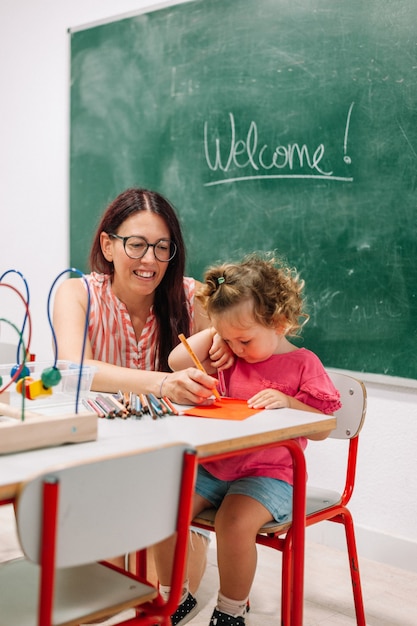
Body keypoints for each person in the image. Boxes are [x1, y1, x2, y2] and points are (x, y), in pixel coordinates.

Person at [155, 252, 341, 626]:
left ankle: (231, 610)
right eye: (229, 339)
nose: (237, 349)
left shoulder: (304, 364)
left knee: (234, 523)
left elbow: (325, 427)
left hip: (270, 475)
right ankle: (172, 597)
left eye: (244, 339)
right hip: (217, 467)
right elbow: (177, 362)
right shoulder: (230, 355)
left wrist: (290, 403)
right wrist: (217, 333)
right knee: (163, 509)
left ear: (280, 322)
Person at [52, 187, 219, 599]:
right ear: (108, 245)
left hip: (174, 462)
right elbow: (77, 370)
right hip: (98, 457)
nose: (150, 261)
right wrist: (164, 383)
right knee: (103, 594)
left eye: (162, 248)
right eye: (137, 245)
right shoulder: (77, 293)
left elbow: (226, 366)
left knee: (166, 594)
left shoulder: (192, 297)